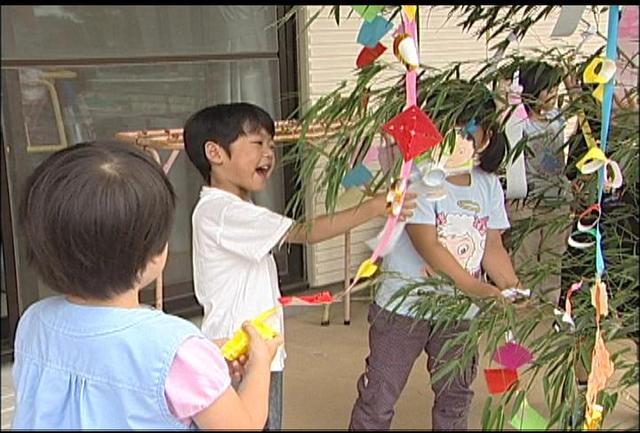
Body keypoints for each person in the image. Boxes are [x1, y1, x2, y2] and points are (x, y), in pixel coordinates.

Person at [12, 140, 282, 430]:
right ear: (154, 253)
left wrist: (203, 356)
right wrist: (259, 366)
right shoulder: (177, 350)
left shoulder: (34, 322)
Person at [182, 102, 416, 430]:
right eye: (257, 143)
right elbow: (305, 231)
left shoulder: (233, 208)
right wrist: (375, 207)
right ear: (215, 153)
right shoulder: (221, 212)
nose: (268, 154)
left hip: (258, 351)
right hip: (238, 356)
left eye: (271, 145)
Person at [349, 80, 522, 430]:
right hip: (404, 309)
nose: (460, 142)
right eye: (451, 132)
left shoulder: (488, 184)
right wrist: (479, 289)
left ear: (487, 138)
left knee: (456, 396)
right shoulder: (420, 181)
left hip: (459, 313)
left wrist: (511, 287)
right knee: (380, 395)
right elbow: (429, 246)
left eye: (471, 133)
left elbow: (492, 246)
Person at [505, 59, 576, 305]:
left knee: (551, 262)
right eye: (548, 89)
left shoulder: (556, 117)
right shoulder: (518, 124)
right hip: (529, 203)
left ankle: (548, 310)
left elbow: (581, 106)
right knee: (525, 260)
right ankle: (527, 309)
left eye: (556, 88)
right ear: (532, 90)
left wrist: (569, 80)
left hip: (557, 201)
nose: (554, 94)